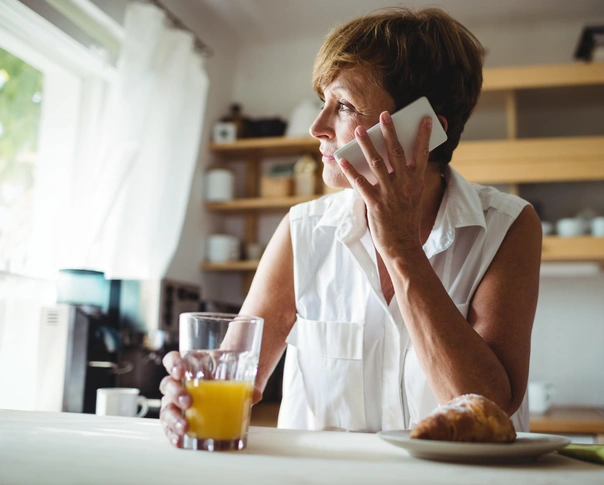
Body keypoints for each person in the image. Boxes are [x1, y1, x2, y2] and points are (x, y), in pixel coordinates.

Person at [159, 7, 541, 446]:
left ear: (421, 129)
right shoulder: (303, 230)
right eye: (324, 102)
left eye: (343, 105)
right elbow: (231, 377)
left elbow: (488, 406)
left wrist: (401, 250)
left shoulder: (509, 227)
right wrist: (185, 401)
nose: (317, 127)